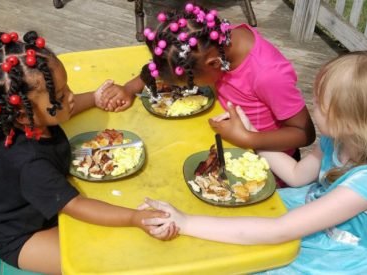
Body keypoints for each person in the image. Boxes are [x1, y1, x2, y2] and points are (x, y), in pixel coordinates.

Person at [140, 51, 367, 274]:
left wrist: (186, 223)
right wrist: (251, 134)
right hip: (308, 215)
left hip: (339, 258)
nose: (313, 105)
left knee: (241, 260)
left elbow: (280, 231)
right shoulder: (339, 139)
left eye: (320, 104)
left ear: (350, 121)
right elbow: (297, 175)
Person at [0, 31, 177, 275]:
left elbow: (65, 110)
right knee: (93, 261)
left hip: (38, 202)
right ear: (23, 115)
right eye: (61, 96)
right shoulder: (30, 163)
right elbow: (76, 205)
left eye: (67, 88)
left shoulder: (29, 121)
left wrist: (95, 98)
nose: (71, 96)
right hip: (19, 235)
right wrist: (135, 218)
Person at [100, 3, 316, 187]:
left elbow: (304, 134)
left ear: (214, 65)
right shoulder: (207, 42)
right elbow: (170, 63)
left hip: (264, 168)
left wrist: (248, 138)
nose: (187, 87)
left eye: (190, 82)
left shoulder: (268, 74)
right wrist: (130, 88)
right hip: (226, 142)